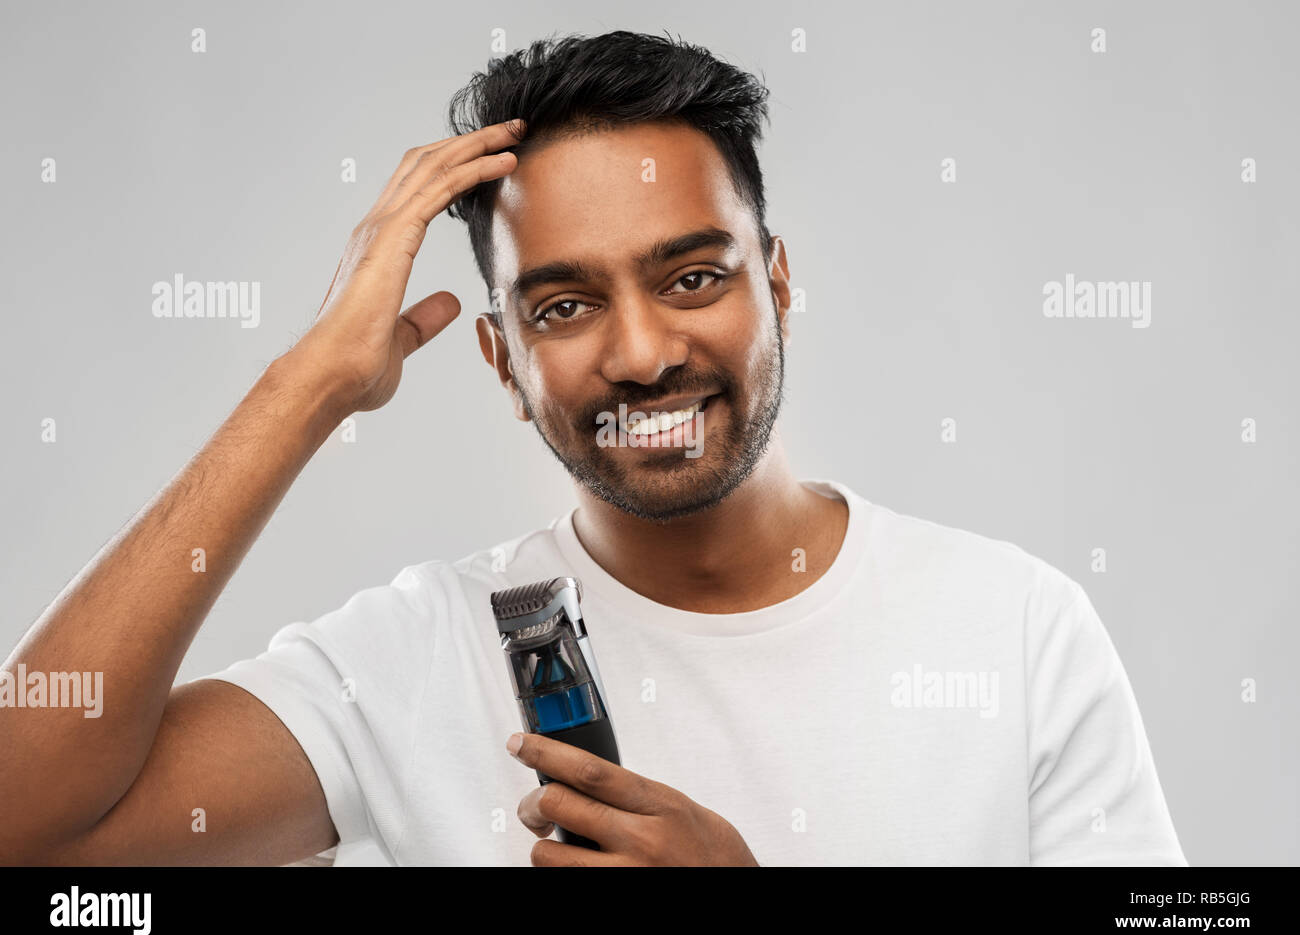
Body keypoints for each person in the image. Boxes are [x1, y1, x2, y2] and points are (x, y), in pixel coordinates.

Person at [0, 30, 1186, 866]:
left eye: (692, 276)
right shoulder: (413, 660)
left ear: (777, 281)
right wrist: (303, 385)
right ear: (502, 361)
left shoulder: (1015, 627)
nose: (641, 350)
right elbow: (25, 824)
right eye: (562, 305)